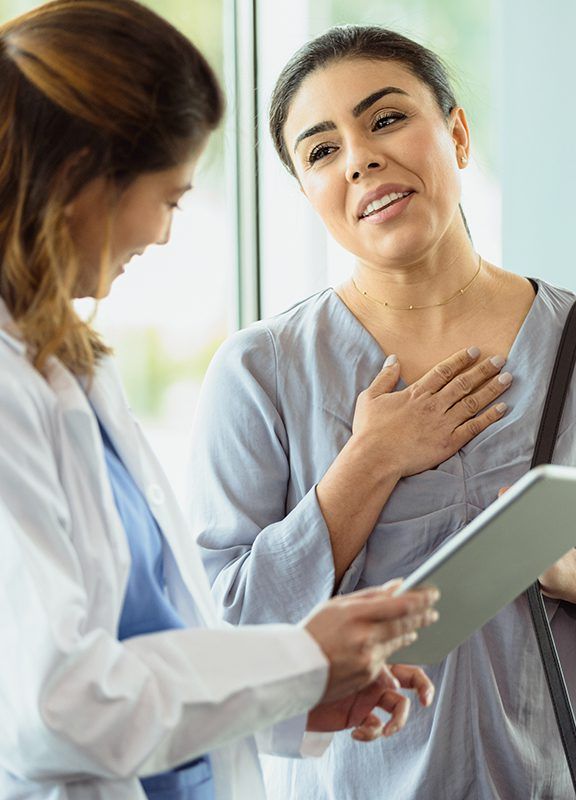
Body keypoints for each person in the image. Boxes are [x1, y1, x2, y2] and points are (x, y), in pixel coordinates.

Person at [189, 24, 576, 800]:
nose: (360, 158)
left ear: (455, 132)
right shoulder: (260, 373)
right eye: (321, 151)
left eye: (386, 119)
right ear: (307, 193)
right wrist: (369, 462)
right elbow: (227, 643)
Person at [0, 6, 445, 800]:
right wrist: (299, 662)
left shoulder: (64, 369)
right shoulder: (17, 393)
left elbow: (155, 636)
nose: (166, 234)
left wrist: (300, 696)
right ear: (80, 180)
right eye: (168, 198)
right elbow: (52, 707)